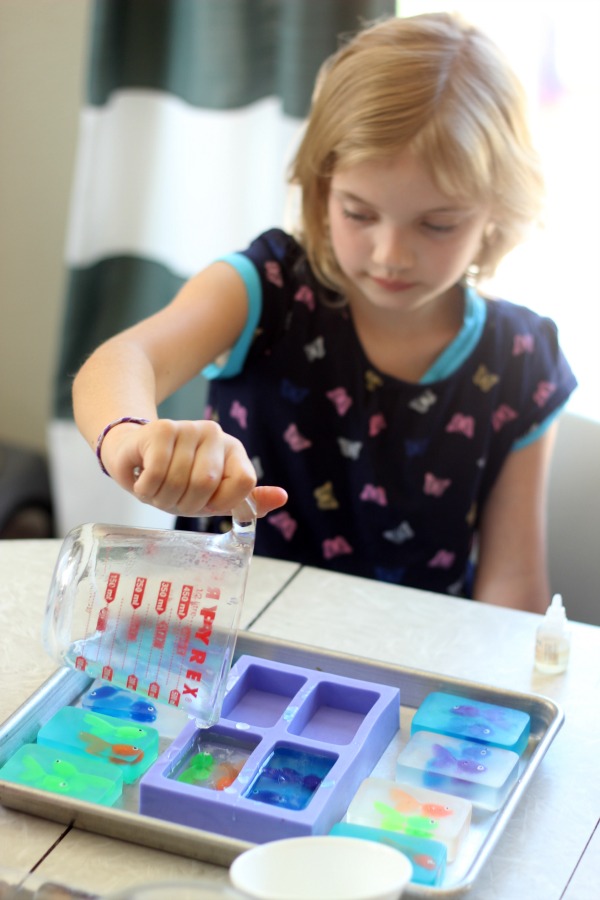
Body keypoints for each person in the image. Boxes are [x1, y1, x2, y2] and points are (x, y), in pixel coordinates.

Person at [73, 12, 577, 613]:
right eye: (359, 213)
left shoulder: (520, 358)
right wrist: (129, 438)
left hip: (411, 662)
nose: (391, 254)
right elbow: (124, 358)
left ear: (496, 211)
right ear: (320, 187)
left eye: (437, 224)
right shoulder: (268, 286)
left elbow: (512, 587)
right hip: (233, 637)